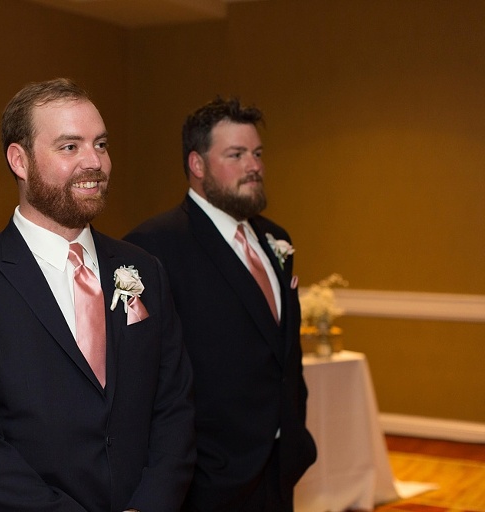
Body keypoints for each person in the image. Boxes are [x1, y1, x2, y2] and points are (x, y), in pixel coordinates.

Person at [0, 78, 196, 512]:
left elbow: (174, 406)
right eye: (70, 147)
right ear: (20, 160)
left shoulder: (144, 269)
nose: (95, 162)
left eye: (100, 144)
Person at [124, 97, 316, 512]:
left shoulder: (275, 238)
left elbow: (282, 352)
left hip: (281, 464)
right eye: (236, 154)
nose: (254, 166)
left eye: (257, 154)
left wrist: (295, 433)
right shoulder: (155, 247)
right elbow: (143, 373)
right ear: (197, 164)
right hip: (209, 477)